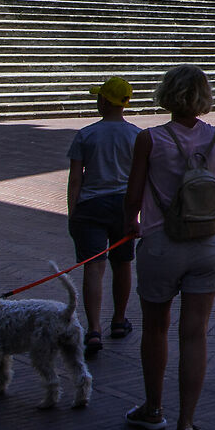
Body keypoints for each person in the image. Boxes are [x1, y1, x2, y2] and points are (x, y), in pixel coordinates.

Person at [121, 65, 215, 430]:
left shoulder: (149, 138)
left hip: (161, 243)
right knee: (195, 333)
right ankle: (186, 426)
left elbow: (133, 196)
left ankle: (153, 408)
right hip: (208, 243)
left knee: (155, 328)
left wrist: (131, 224)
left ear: (166, 93)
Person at [67, 78, 141, 355]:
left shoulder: (85, 135)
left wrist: (73, 212)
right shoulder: (136, 136)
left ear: (104, 102)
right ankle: (119, 320)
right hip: (123, 206)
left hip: (91, 206)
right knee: (123, 264)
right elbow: (141, 178)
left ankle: (94, 329)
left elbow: (76, 179)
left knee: (93, 267)